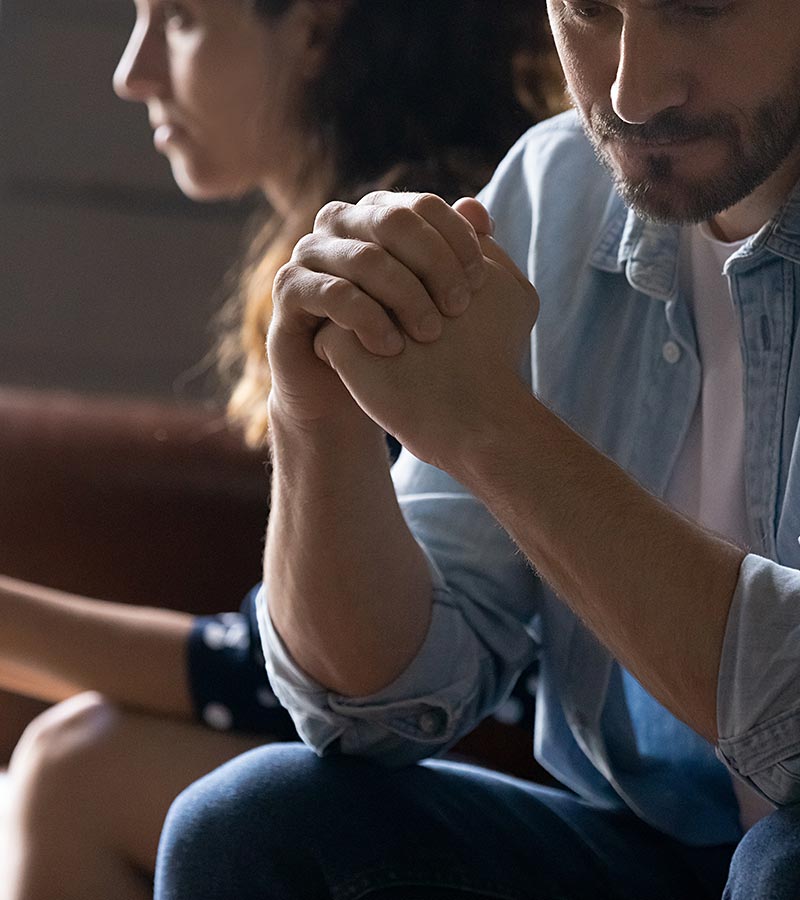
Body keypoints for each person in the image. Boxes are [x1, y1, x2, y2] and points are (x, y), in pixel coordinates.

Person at [152, 1, 800, 899]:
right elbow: (369, 707)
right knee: (251, 822)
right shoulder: (556, 186)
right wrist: (319, 417)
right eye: (589, 10)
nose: (633, 89)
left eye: (699, 6)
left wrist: (491, 428)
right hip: (656, 849)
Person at [1, 1, 557, 898]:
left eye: (178, 19)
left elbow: (299, 676)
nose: (131, 73)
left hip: (524, 773)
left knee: (78, 769)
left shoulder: (420, 253)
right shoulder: (344, 240)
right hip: (434, 744)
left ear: (314, 28)